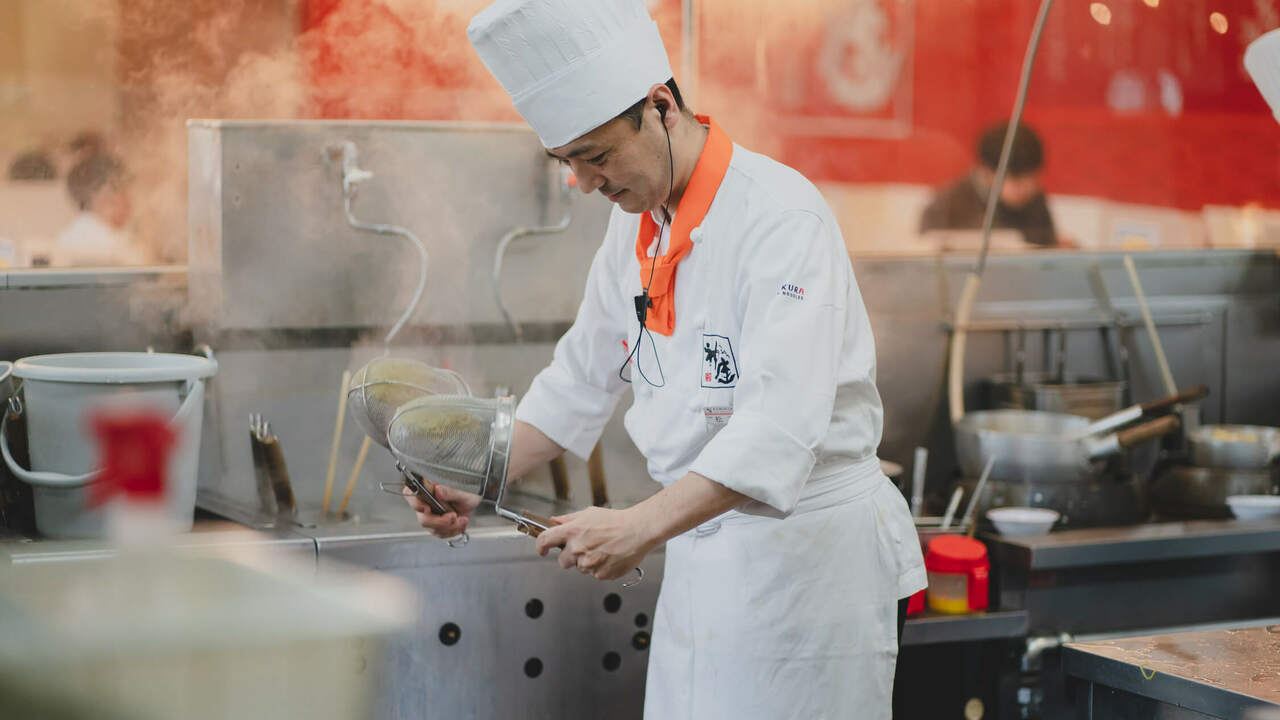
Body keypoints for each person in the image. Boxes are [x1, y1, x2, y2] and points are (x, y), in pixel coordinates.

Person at [403, 1, 925, 718]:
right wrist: (480, 476)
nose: (586, 184)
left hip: (808, 572)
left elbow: (779, 426)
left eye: (597, 156)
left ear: (660, 108)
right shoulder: (638, 230)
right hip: (705, 562)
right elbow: (580, 377)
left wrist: (639, 524)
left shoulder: (781, 218)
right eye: (568, 164)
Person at [920, 122, 1065, 248]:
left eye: (1034, 177)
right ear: (986, 171)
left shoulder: (1035, 200)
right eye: (1016, 180)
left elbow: (1044, 250)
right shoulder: (948, 205)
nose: (1028, 188)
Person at [55, 152, 147, 266]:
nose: (131, 199)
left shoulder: (76, 234)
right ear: (104, 196)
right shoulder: (100, 244)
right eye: (124, 190)